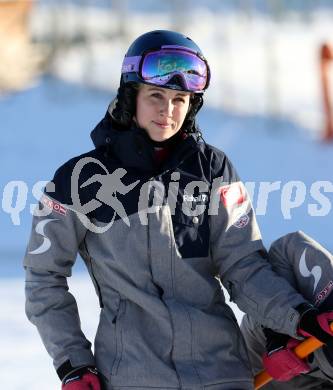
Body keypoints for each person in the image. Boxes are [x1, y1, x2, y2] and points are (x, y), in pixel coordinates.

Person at [23, 30, 333, 390]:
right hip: (132, 376)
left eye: (180, 99)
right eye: (156, 96)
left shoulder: (213, 170)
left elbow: (243, 266)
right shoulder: (79, 180)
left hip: (221, 372)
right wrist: (73, 363)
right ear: (130, 96)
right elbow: (43, 277)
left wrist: (296, 322)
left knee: (295, 255)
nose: (167, 111)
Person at [241, 231, 333, 389]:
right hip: (262, 345)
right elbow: (286, 248)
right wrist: (277, 336)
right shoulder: (327, 286)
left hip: (317, 375)